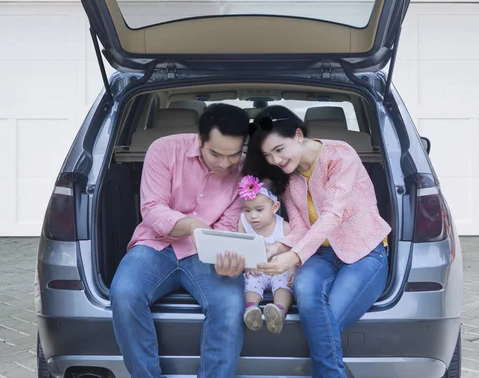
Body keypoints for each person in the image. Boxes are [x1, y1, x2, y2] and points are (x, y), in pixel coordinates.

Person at [243, 105, 390, 378]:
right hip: (320, 256)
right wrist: (279, 247)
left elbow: (332, 214)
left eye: (279, 149)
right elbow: (299, 226)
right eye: (267, 155)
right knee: (309, 301)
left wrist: (292, 257)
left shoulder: (340, 154)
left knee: (324, 319)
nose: (275, 160)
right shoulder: (288, 174)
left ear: (298, 135)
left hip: (364, 252)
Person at [110, 103, 249, 378]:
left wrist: (226, 254)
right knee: (124, 293)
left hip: (206, 252)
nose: (224, 163)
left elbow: (229, 223)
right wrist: (191, 226)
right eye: (216, 154)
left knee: (231, 304)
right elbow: (152, 208)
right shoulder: (163, 150)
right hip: (155, 245)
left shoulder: (245, 170)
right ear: (200, 140)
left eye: (233, 155)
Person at [237, 175, 293, 334]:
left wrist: (293, 273)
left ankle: (279, 311)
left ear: (274, 207)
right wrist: (247, 267)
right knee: (250, 282)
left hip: (279, 269)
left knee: (283, 285)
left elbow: (291, 251)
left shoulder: (284, 226)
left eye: (259, 210)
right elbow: (242, 246)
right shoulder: (243, 222)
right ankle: (251, 310)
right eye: (247, 210)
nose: (252, 215)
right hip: (257, 269)